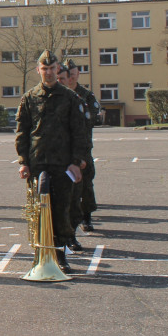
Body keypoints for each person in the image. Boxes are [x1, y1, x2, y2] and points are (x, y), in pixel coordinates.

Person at [15, 50, 88, 274]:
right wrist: (23, 161)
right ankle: (40, 253)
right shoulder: (29, 98)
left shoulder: (70, 97)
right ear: (38, 70)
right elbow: (22, 132)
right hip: (37, 162)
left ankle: (59, 254)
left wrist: (77, 161)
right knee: (37, 211)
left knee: (60, 209)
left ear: (58, 70)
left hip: (63, 164)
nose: (48, 72)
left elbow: (79, 132)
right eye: (44, 69)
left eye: (52, 68)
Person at [65, 59, 102, 238]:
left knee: (86, 183)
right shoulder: (60, 94)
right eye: (67, 76)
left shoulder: (85, 95)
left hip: (83, 146)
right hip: (62, 147)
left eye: (72, 75)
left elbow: (92, 117)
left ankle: (87, 217)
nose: (70, 79)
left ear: (77, 74)